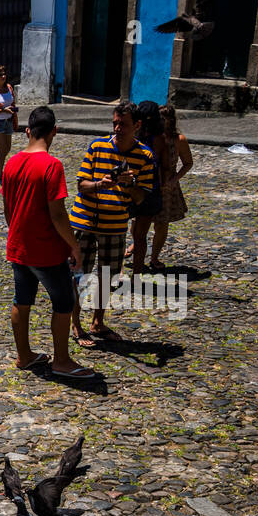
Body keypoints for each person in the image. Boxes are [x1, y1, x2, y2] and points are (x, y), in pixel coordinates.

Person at [1, 107, 95, 381]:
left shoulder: (11, 163)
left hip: (19, 246)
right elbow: (57, 214)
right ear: (54, 131)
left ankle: (24, 355)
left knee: (22, 300)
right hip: (47, 251)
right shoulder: (52, 165)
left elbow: (8, 209)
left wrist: (17, 232)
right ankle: (62, 361)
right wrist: (73, 247)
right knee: (63, 303)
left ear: (28, 131)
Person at [68, 101, 154, 347]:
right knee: (78, 276)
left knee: (108, 277)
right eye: (115, 122)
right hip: (83, 222)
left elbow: (140, 198)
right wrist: (99, 185)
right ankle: (76, 325)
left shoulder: (145, 156)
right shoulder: (97, 147)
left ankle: (98, 321)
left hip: (114, 226)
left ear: (137, 126)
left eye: (123, 124)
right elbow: (81, 185)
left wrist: (129, 184)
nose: (117, 128)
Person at [149, 104, 192, 271]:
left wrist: (175, 179)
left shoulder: (179, 140)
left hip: (167, 188)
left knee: (161, 225)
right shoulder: (150, 137)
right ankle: (136, 247)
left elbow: (188, 163)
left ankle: (154, 257)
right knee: (138, 223)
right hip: (149, 185)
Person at [126, 100, 165, 273]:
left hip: (130, 187)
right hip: (150, 188)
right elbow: (163, 166)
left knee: (120, 232)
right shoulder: (159, 138)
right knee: (140, 236)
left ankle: (117, 272)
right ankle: (137, 272)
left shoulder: (132, 135)